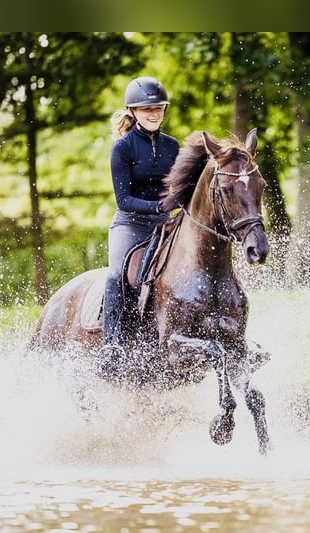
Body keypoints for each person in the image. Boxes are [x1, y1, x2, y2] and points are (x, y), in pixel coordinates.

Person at [100, 76, 183, 367]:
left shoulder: (173, 147)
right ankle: (111, 345)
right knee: (116, 275)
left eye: (159, 108)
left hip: (165, 223)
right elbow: (123, 199)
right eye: (146, 109)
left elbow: (186, 187)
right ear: (133, 111)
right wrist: (159, 205)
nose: (153, 113)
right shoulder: (122, 149)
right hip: (130, 225)